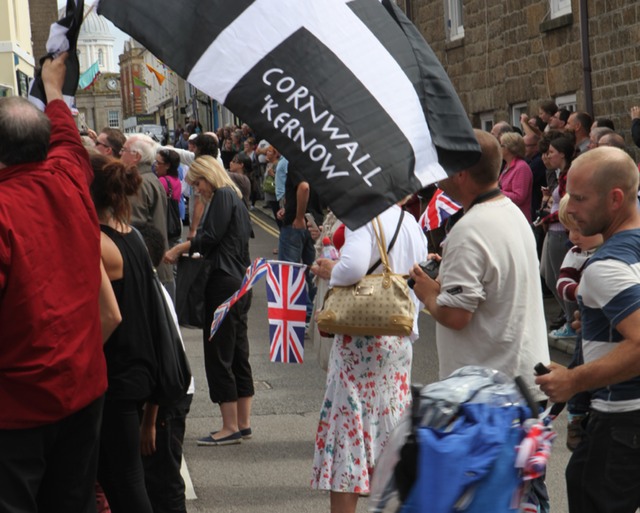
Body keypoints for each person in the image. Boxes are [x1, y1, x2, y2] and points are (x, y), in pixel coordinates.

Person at [0, 53, 119, 513]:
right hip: (84, 391)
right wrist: (53, 90)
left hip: (18, 410)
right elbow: (67, 136)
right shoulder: (70, 175)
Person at [409, 129, 550, 402]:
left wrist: (426, 293)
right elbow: (493, 285)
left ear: (461, 174)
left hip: (486, 395)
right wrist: (446, 275)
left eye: (444, 164)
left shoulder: (469, 231)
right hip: (516, 382)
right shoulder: (509, 211)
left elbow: (456, 316)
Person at [535, 147, 640, 513]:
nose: (570, 209)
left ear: (615, 199)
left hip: (621, 422)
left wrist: (573, 381)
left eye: (579, 198)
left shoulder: (603, 266)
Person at [310, 202, 428, 513]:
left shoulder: (362, 217)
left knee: (349, 432)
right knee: (392, 429)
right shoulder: (411, 222)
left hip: (361, 340)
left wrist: (329, 270)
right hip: (398, 337)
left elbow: (352, 268)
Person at [164, 156, 254, 446]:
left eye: (199, 182)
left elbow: (209, 237)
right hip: (239, 279)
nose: (198, 189)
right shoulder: (236, 196)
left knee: (219, 352)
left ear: (209, 176)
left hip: (223, 281)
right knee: (237, 349)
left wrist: (179, 248)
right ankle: (242, 422)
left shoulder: (223, 195)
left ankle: (229, 427)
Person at [90, 153, 158, 513]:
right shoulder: (129, 234)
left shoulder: (96, 242)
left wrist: (79, 360)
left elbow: (110, 315)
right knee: (123, 478)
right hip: (137, 368)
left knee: (123, 482)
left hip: (115, 373)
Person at [137, 223, 195, 513]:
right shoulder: (149, 286)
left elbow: (161, 366)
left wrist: (150, 422)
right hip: (167, 394)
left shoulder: (146, 294)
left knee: (165, 479)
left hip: (167, 399)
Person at [554, 194, 603, 452]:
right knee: (579, 368)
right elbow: (562, 283)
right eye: (569, 229)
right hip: (586, 323)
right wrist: (580, 290)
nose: (573, 236)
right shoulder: (576, 254)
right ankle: (575, 416)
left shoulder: (614, 251)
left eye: (579, 228)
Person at [121, 134, 175, 299]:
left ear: (136, 156)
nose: (120, 154)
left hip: (149, 267)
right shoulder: (151, 179)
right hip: (158, 265)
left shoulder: (138, 184)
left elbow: (133, 227)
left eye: (124, 150)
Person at [537, 135, 577, 340]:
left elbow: (566, 206)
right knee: (546, 273)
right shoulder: (560, 173)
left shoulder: (568, 175)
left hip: (560, 230)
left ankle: (572, 322)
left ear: (562, 154)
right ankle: (572, 317)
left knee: (558, 278)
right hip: (553, 229)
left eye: (551, 152)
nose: (548, 156)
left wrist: (547, 217)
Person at [498, 131, 533, 222]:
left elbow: (519, 197)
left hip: (518, 219)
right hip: (508, 217)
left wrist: (497, 192)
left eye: (501, 145)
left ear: (510, 148)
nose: (499, 148)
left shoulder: (521, 167)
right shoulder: (507, 166)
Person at [155, 148, 183, 245]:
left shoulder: (162, 181)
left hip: (165, 223)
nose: (155, 166)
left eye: (158, 163)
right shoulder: (177, 181)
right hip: (175, 222)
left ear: (167, 165)